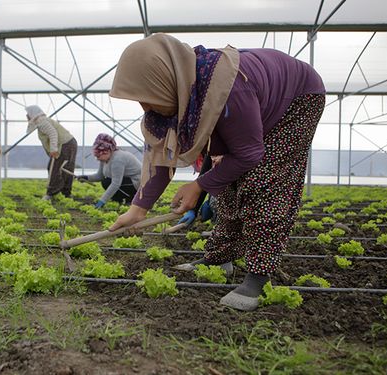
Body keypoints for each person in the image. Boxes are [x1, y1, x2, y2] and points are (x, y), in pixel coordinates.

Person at [108, 33, 325, 311]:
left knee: (265, 181)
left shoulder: (228, 89)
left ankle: (258, 275)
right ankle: (220, 258)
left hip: (296, 98)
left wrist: (199, 185)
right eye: (140, 100)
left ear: (166, 80)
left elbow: (249, 153)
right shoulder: (180, 94)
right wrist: (138, 209)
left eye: (148, 98)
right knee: (225, 183)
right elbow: (161, 157)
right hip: (253, 106)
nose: (145, 107)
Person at [25, 105, 77, 200]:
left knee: (55, 168)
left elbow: (53, 133)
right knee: (66, 168)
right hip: (69, 143)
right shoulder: (41, 121)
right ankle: (66, 193)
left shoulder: (42, 122)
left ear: (33, 113)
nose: (27, 116)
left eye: (28, 113)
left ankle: (50, 194)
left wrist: (53, 149)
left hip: (64, 145)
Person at [78, 133, 142, 208]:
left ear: (107, 151)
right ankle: (120, 200)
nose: (97, 158)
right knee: (105, 181)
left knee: (108, 182)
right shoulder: (105, 159)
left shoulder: (118, 159)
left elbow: (116, 183)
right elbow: (100, 176)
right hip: (127, 181)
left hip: (138, 183)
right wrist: (86, 178)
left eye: (98, 155)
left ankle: (131, 198)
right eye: (96, 156)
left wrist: (102, 200)